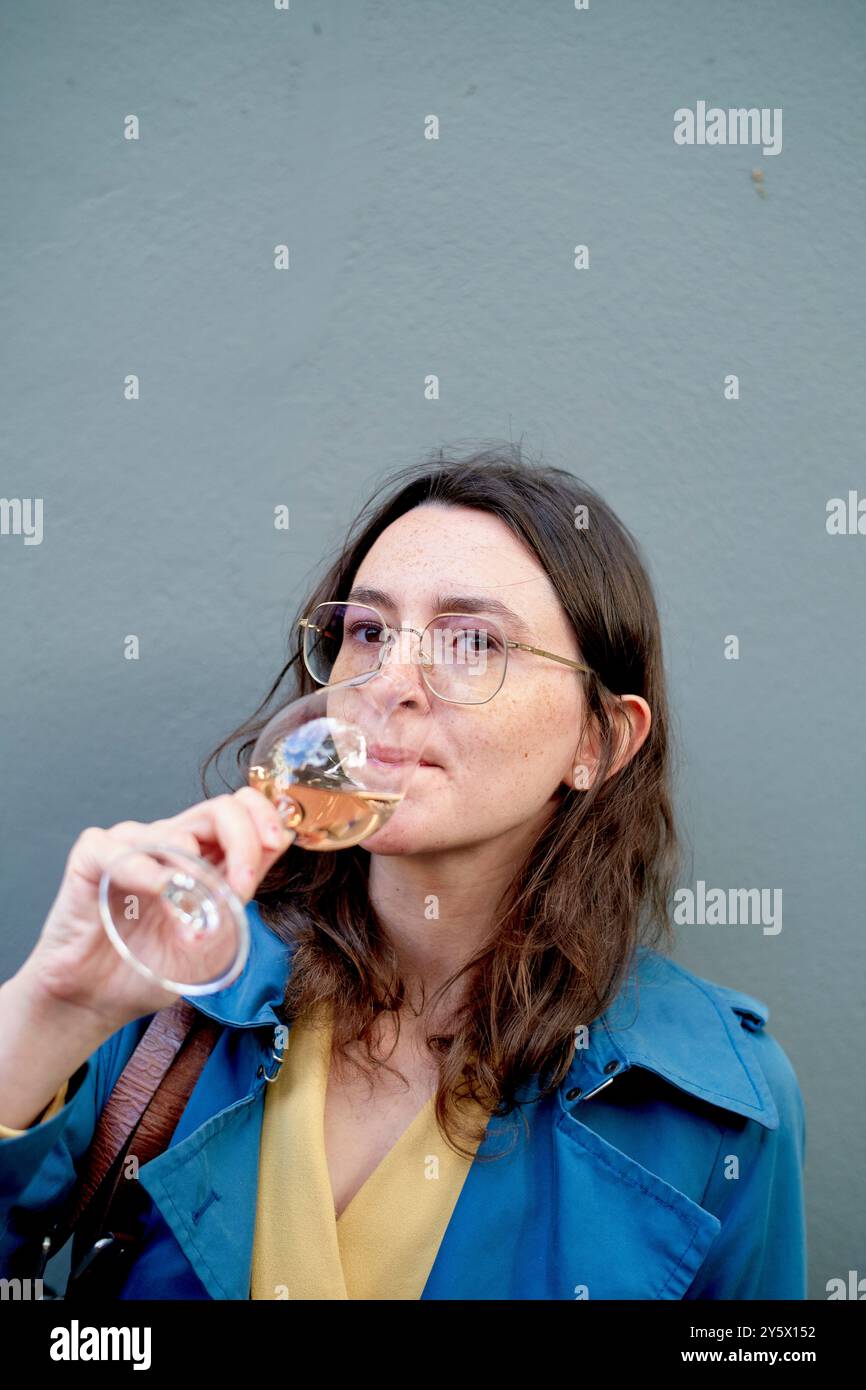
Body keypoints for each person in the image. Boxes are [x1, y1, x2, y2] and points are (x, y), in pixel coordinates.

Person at [0, 443, 807, 1299]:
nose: (392, 681)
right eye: (370, 631)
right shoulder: (174, 981)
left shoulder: (724, 1109)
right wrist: (55, 1007)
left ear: (597, 741)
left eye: (473, 642)